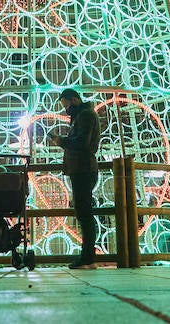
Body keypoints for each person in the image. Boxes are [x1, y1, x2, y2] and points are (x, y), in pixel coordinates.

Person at [48, 88, 100, 269]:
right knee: (83, 212)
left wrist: (61, 141)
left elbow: (81, 143)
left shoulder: (85, 116)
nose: (66, 109)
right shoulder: (81, 115)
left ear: (74, 100)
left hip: (83, 170)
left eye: (67, 105)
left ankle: (88, 258)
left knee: (84, 213)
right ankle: (87, 257)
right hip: (81, 169)